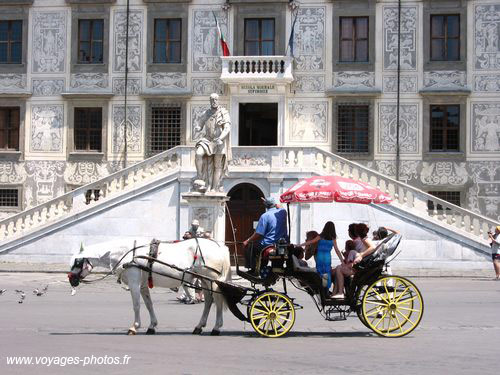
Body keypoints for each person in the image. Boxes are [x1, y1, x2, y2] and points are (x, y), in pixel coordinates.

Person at [193, 93, 232, 192]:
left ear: (218, 100)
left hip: (219, 142)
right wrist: (198, 128)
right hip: (207, 140)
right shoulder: (206, 113)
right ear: (209, 101)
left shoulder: (224, 112)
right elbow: (200, 125)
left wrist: (221, 138)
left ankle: (214, 187)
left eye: (215, 99)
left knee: (217, 166)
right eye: (212, 99)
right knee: (198, 154)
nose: (214, 101)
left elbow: (227, 128)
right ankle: (200, 177)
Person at [243, 197, 288, 274]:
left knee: (251, 246)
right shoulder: (283, 212)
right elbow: (279, 206)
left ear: (266, 206)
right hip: (282, 243)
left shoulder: (265, 216)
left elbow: (259, 234)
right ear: (274, 204)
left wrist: (248, 240)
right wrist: (270, 202)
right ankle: (261, 266)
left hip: (268, 244)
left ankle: (254, 269)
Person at [299, 222, 343, 292]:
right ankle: (326, 288)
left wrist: (299, 245)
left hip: (319, 256)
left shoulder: (320, 236)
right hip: (327, 257)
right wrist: (342, 260)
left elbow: (310, 242)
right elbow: (337, 250)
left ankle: (321, 287)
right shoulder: (333, 238)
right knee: (326, 272)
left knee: (320, 271)